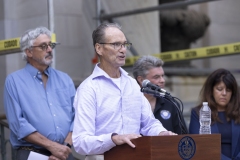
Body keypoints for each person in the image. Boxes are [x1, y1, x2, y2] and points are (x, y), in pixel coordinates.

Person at [72, 23, 176, 159]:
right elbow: (80, 142)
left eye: (125, 44)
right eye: (116, 44)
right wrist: (113, 139)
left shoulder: (132, 84)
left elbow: (148, 124)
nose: (123, 50)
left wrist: (162, 133)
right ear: (99, 48)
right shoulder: (88, 89)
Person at [4, 27, 75, 160]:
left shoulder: (65, 79)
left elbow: (77, 116)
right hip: (32, 154)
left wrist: (64, 146)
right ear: (29, 52)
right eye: (43, 46)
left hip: (64, 152)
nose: (49, 50)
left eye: (51, 45)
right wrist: (52, 146)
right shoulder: (14, 81)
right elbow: (18, 124)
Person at [189, 68, 240, 160]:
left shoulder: (238, 112)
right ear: (211, 91)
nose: (224, 93)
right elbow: (199, 145)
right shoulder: (197, 113)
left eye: (228, 90)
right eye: (219, 89)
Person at [132, 55, 187, 134]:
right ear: (141, 80)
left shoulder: (171, 103)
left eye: (162, 76)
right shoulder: (129, 103)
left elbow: (182, 137)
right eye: (156, 77)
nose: (162, 80)